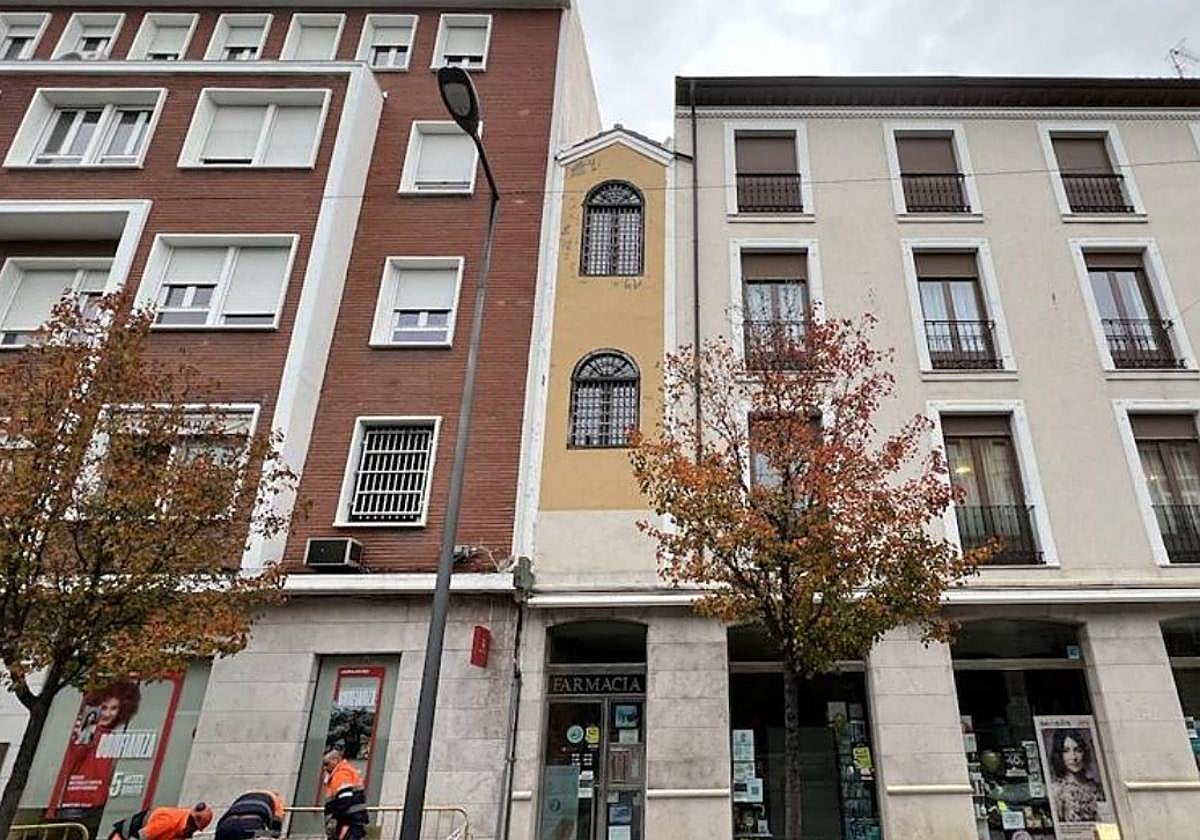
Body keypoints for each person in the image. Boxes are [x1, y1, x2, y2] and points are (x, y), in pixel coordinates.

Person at [1047, 728, 1103, 822]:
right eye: (1066, 751)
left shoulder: (1096, 788)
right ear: (1059, 755)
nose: (1074, 757)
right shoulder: (1057, 790)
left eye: (1078, 750)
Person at [322, 747, 368, 840]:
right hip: (353, 819)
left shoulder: (341, 773)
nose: (325, 768)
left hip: (349, 820)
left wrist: (333, 815)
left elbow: (344, 800)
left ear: (336, 760)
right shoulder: (345, 771)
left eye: (327, 764)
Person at [108, 803, 213, 840]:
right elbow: (142, 837)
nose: (193, 832)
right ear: (192, 824)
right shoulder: (169, 823)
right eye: (195, 829)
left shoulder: (181, 827)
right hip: (123, 836)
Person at [214, 791, 286, 840]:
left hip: (226, 825)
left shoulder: (246, 796)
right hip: (251, 826)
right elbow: (275, 832)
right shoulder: (278, 802)